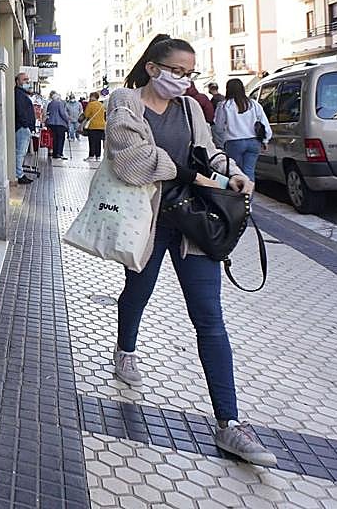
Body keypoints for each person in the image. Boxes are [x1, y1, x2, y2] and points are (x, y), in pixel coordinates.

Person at [105, 33, 275, 467]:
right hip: (147, 224)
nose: (183, 80)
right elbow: (131, 161)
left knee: (210, 318)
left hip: (191, 226)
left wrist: (230, 173)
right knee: (137, 294)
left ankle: (230, 424)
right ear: (153, 68)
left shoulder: (191, 108)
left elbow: (210, 153)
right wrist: (188, 175)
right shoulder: (125, 103)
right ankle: (125, 350)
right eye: (177, 71)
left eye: (189, 73)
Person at [213, 78, 271, 180]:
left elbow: (218, 127)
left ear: (228, 89)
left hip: (233, 142)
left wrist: (221, 141)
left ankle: (238, 195)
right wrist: (265, 140)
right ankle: (249, 195)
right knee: (249, 172)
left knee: (236, 173)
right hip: (253, 142)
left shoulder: (224, 105)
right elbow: (264, 123)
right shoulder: (253, 104)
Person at [13, 72, 36, 185]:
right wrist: (26, 125)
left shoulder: (22, 94)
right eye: (24, 80)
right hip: (22, 128)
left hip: (24, 127)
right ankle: (19, 174)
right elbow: (21, 111)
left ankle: (19, 172)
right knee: (20, 152)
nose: (27, 81)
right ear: (18, 81)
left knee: (21, 152)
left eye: (28, 79)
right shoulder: (19, 94)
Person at [45, 91, 73, 160]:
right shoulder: (59, 103)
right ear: (58, 98)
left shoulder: (50, 104)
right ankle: (59, 153)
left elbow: (48, 113)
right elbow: (62, 113)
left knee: (55, 139)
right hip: (60, 124)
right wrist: (67, 120)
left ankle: (55, 153)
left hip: (51, 124)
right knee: (61, 138)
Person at [83, 91, 106, 162]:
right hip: (101, 126)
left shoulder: (91, 104)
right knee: (98, 142)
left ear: (92, 97)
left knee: (92, 141)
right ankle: (98, 156)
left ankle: (91, 156)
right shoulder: (101, 105)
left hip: (93, 126)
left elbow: (86, 115)